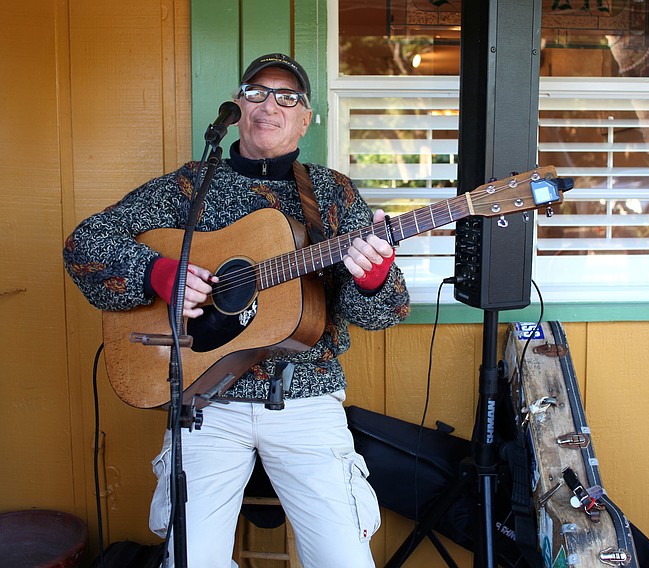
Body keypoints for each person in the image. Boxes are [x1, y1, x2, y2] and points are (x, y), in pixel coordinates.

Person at [64, 53, 410, 567]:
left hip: (307, 400)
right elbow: (86, 242)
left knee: (344, 560)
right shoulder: (192, 185)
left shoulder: (331, 193)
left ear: (305, 117)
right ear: (238, 107)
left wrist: (374, 274)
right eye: (257, 92)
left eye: (287, 96)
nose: (270, 105)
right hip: (206, 406)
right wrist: (162, 275)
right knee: (191, 561)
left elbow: (387, 311)